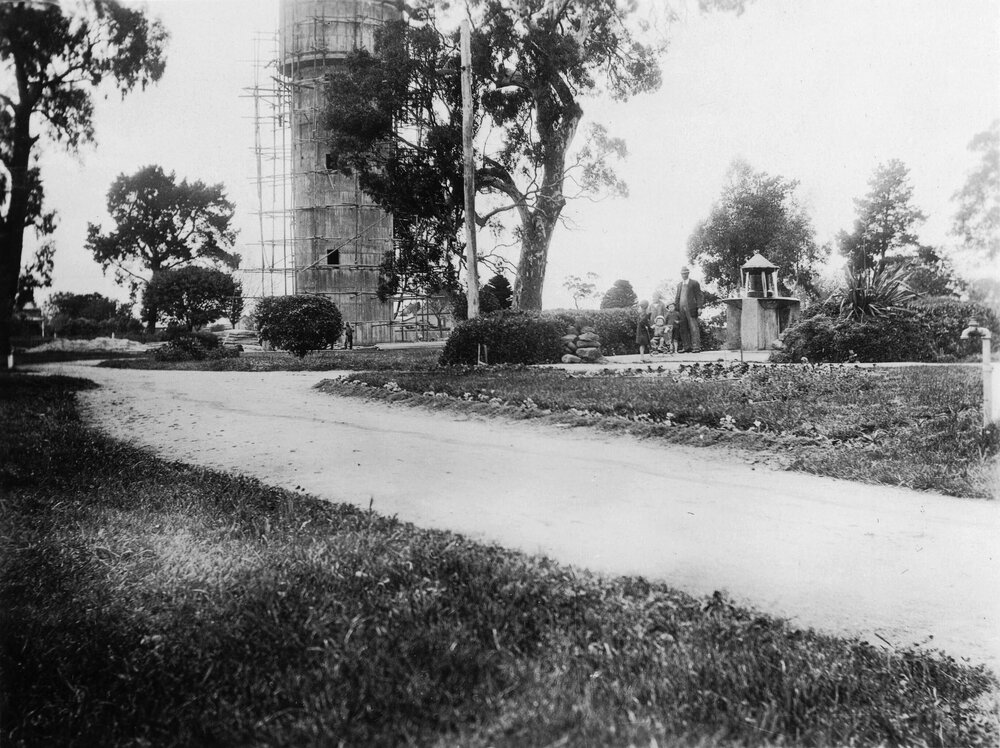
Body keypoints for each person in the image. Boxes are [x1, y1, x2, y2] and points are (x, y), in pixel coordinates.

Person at [674, 266, 704, 353]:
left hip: (691, 308)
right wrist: (676, 310)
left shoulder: (694, 283)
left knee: (693, 327)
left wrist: (699, 307)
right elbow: (677, 297)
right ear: (681, 274)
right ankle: (686, 347)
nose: (684, 275)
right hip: (681, 309)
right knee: (683, 328)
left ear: (688, 273)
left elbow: (699, 295)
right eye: (682, 274)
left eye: (685, 273)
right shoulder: (679, 285)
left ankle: (696, 347)